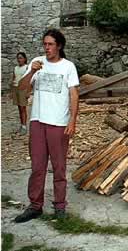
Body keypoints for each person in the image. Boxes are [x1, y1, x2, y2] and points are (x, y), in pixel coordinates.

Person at [14, 29, 79, 223]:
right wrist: (32, 71)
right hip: (38, 122)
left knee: (59, 168)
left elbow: (74, 95)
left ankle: (60, 206)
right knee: (37, 167)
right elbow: (22, 89)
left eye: (50, 44)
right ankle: (35, 206)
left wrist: (72, 120)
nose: (47, 48)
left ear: (59, 46)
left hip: (59, 123)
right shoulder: (37, 63)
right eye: (45, 44)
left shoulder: (68, 67)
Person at [11, 52, 29, 135]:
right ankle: (21, 125)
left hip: (23, 89)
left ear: (24, 59)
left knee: (23, 108)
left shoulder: (26, 68)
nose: (19, 59)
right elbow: (14, 78)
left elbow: (29, 80)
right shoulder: (15, 68)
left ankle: (24, 126)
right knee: (19, 108)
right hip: (16, 88)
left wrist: (28, 92)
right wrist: (12, 91)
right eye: (18, 58)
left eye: (21, 58)